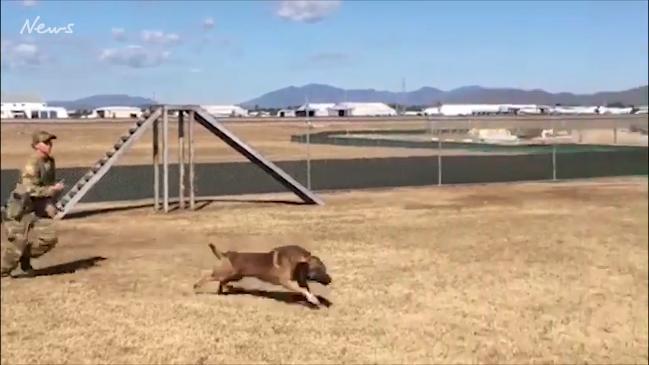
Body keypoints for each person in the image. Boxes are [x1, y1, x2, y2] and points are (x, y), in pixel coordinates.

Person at [1, 130, 65, 277]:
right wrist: (51, 190)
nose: (50, 145)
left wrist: (50, 202)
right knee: (17, 243)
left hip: (38, 206)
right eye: (46, 142)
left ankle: (24, 257)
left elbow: (47, 184)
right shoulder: (32, 163)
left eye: (50, 142)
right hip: (20, 208)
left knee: (49, 238)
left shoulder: (49, 161)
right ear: (37, 145)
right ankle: (3, 271)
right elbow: (29, 189)